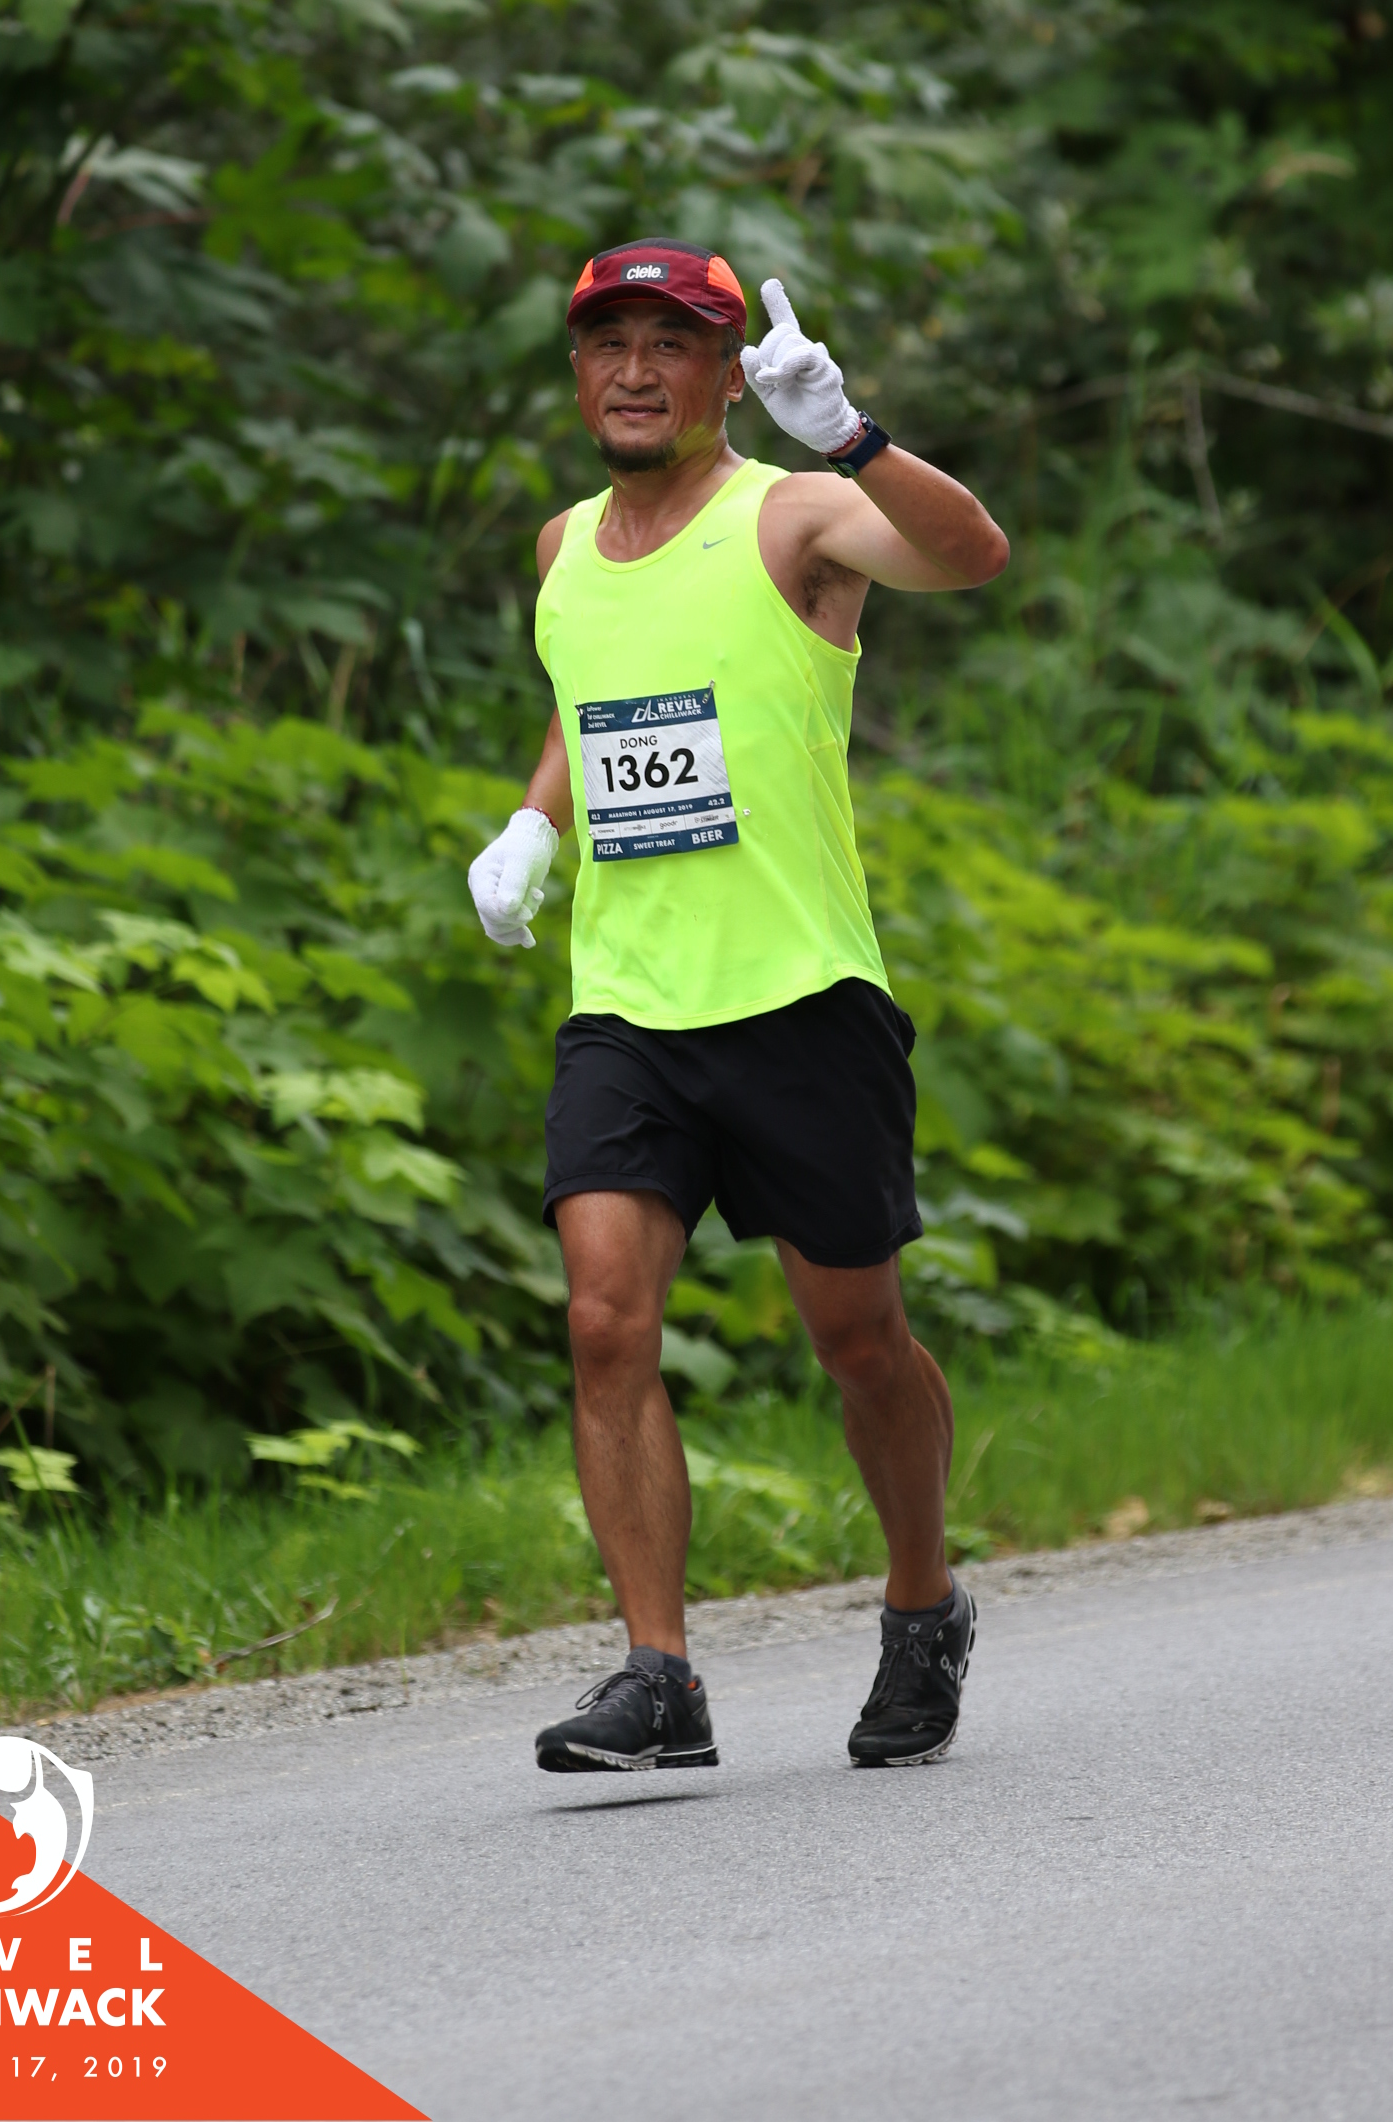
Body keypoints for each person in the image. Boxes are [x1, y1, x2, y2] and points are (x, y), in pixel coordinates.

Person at [466, 237, 1010, 1773]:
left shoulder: (796, 518)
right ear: (579, 371)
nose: (636, 370)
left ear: (724, 374)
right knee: (603, 1320)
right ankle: (661, 1678)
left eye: (672, 344)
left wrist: (853, 436)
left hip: (800, 996)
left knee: (859, 1338)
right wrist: (535, 823)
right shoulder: (563, 548)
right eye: (609, 342)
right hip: (629, 1004)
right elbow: (593, 705)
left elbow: (973, 555)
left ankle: (923, 1604)